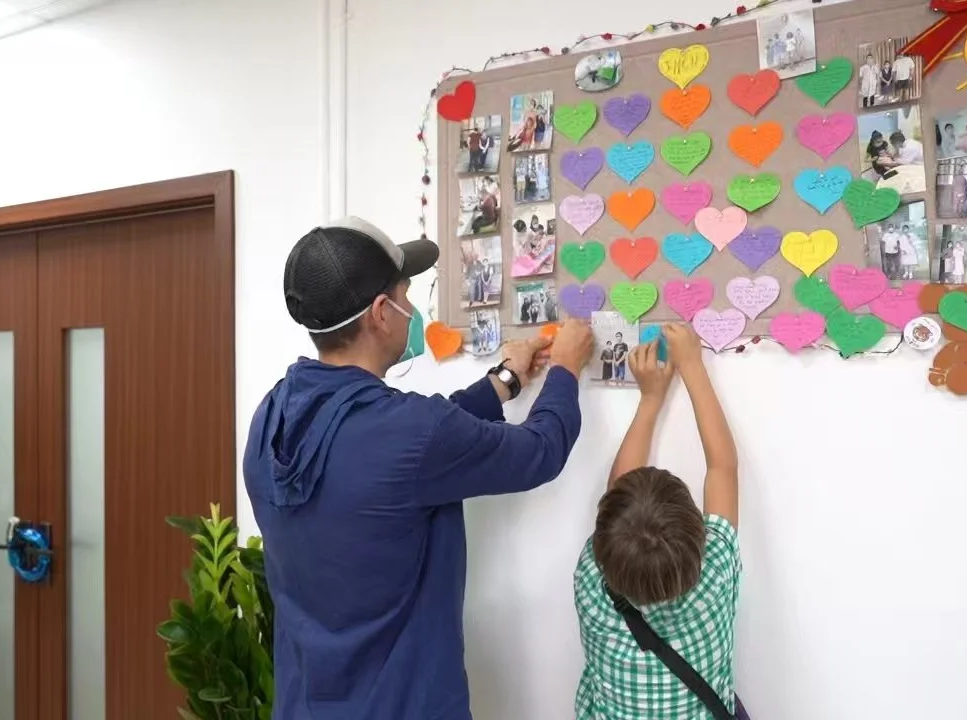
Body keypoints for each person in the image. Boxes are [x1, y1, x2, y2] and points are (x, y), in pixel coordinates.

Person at [245, 217, 596, 720]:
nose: (412, 310)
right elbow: (540, 450)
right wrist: (565, 366)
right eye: (406, 295)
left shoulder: (272, 417)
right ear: (381, 314)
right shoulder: (411, 434)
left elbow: (408, 446)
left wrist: (505, 379)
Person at [574, 326, 743, 720]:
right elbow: (723, 468)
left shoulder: (590, 583)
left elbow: (616, 496)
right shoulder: (714, 576)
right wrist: (693, 367)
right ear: (699, 535)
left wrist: (650, 398)